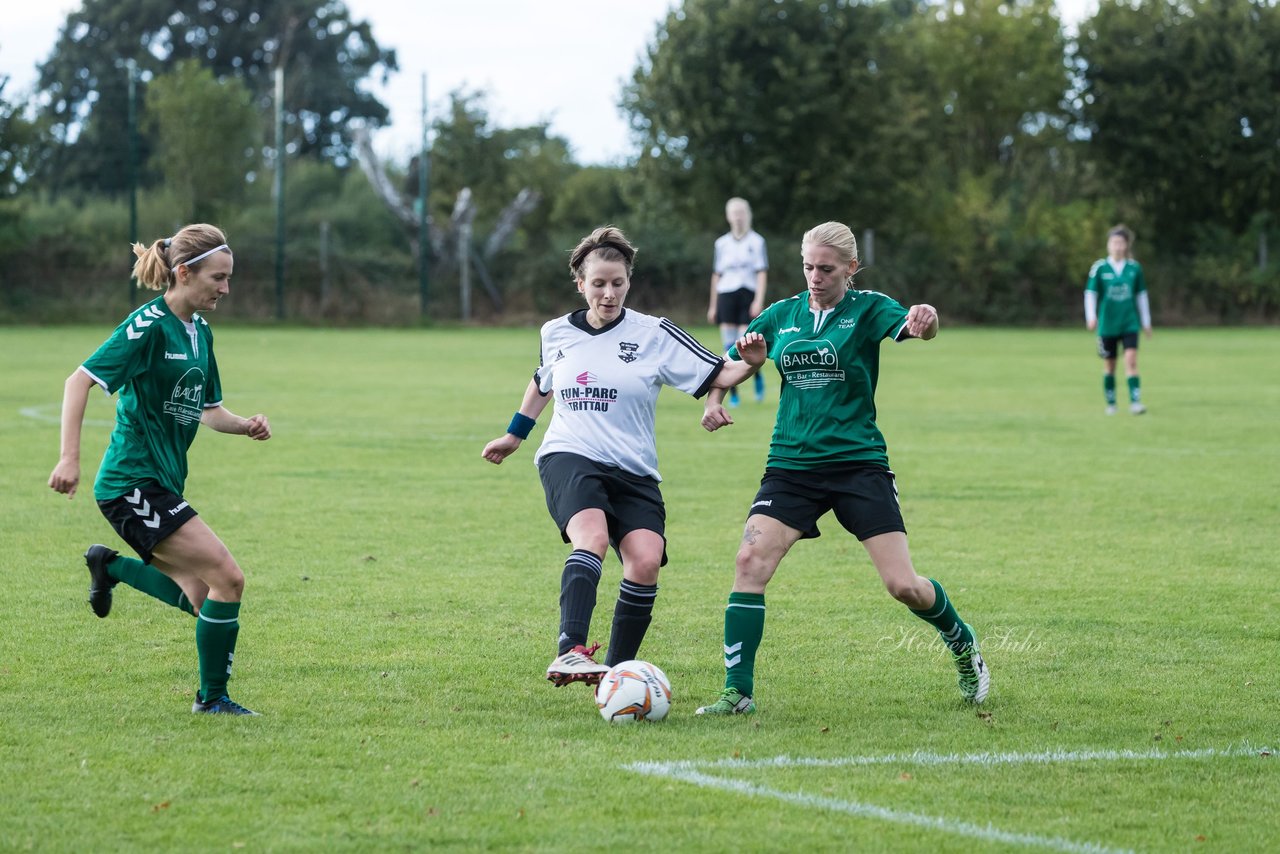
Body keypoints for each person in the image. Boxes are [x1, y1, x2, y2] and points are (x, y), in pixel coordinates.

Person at [695, 221, 989, 716]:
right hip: (791, 464)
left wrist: (927, 319)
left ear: (851, 269)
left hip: (858, 464)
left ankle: (962, 644)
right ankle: (737, 691)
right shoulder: (781, 314)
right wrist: (715, 400)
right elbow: (732, 363)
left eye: (826, 269)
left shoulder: (870, 308)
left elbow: (921, 330)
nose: (814, 276)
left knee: (903, 585)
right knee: (750, 564)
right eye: (808, 266)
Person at [482, 225, 765, 687]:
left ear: (629, 281)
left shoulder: (655, 333)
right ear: (580, 283)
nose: (608, 293)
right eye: (598, 284)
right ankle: (571, 650)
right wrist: (516, 436)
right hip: (569, 455)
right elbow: (542, 381)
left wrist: (752, 361)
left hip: (634, 468)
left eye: (617, 283)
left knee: (646, 560)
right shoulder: (555, 332)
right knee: (590, 537)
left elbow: (720, 370)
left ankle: (614, 673)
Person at [48, 223, 271, 716]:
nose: (226, 288)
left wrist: (245, 425)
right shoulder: (147, 325)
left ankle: (111, 567)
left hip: (162, 482)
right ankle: (212, 700)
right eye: (218, 277)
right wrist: (69, 458)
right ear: (185, 272)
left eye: (229, 277)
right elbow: (78, 381)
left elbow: (208, 409)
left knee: (201, 596)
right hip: (131, 483)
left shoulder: (200, 332)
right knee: (229, 579)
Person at [707, 197, 768, 406]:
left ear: (748, 214)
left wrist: (758, 300)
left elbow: (761, 273)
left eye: (741, 212)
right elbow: (716, 275)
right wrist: (713, 305)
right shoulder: (721, 243)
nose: (738, 216)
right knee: (727, 345)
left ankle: (757, 378)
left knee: (743, 343)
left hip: (747, 295)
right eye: (734, 212)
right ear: (728, 216)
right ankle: (733, 393)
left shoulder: (756, 241)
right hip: (726, 295)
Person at [1085, 224, 1152, 415]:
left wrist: (1146, 322)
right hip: (1107, 324)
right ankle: (1111, 403)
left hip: (1129, 322)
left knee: (1131, 361)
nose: (1117, 246)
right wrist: (1091, 317)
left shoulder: (1134, 268)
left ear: (1126, 245)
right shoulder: (1100, 268)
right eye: (1114, 242)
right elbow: (1090, 293)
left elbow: (1141, 296)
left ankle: (1135, 402)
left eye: (1121, 242)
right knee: (1110, 365)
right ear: (1108, 245)